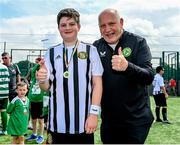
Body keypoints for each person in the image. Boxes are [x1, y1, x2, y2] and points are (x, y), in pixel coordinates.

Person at [36, 8, 103, 144]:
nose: (67, 28)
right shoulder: (51, 52)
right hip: (57, 125)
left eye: (71, 24)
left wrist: (94, 114)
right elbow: (45, 87)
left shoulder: (91, 50)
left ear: (78, 26)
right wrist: (42, 78)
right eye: (63, 25)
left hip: (84, 124)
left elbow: (97, 84)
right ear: (59, 28)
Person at [93, 8, 154, 144]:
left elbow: (149, 76)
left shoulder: (138, 42)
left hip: (135, 121)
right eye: (103, 26)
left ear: (121, 22)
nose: (107, 29)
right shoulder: (96, 47)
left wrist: (128, 67)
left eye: (111, 23)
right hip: (109, 122)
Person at [26, 57, 48, 144]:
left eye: (39, 72)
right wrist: (38, 64)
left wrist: (42, 65)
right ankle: (34, 134)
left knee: (41, 120)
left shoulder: (44, 81)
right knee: (33, 119)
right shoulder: (34, 79)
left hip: (41, 102)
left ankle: (41, 136)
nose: (37, 73)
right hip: (32, 101)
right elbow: (33, 70)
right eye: (36, 72)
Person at [0, 62, 9, 135]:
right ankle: (4, 130)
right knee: (3, 110)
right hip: (5, 92)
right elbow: (8, 79)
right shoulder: (5, 68)